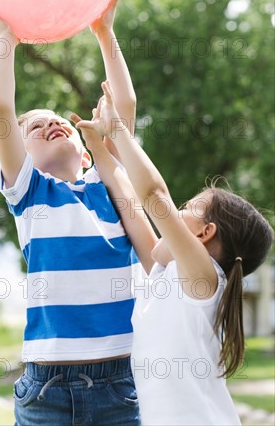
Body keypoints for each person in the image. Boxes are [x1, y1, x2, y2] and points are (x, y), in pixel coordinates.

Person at [0, 0, 157, 426]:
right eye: (35, 127)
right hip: (45, 387)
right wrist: (5, 39)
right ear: (21, 157)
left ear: (86, 152)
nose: (51, 123)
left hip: (118, 381)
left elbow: (124, 107)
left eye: (59, 121)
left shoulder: (107, 185)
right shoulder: (29, 192)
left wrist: (105, 31)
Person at [76, 80, 274, 426]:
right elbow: (132, 206)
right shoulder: (166, 276)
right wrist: (98, 148)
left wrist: (119, 130)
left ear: (203, 233)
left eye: (187, 207)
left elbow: (153, 196)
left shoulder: (205, 280)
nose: (175, 213)